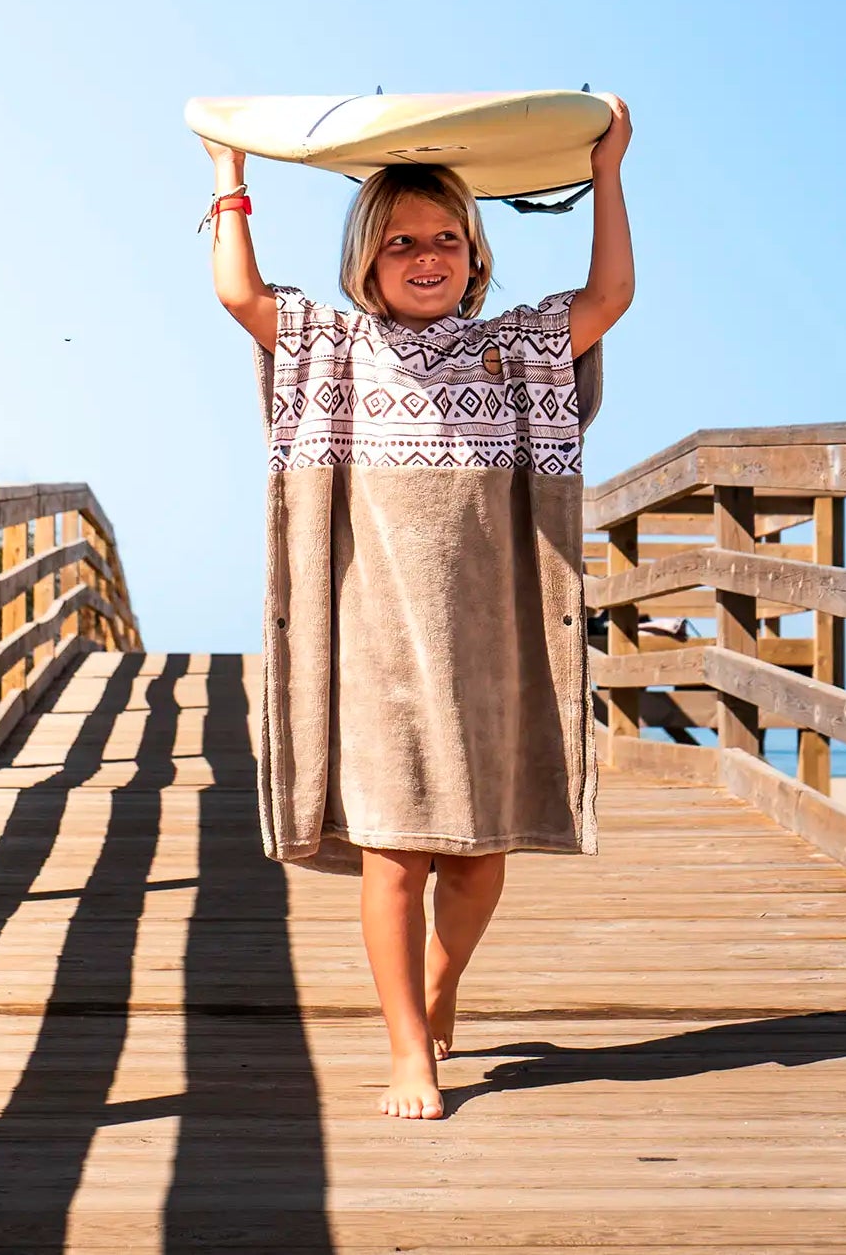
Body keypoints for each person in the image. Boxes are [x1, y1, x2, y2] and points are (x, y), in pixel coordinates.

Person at [202, 97, 635, 1120]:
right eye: (403, 242)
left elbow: (609, 294)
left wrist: (608, 169)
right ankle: (409, 1049)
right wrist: (228, 173)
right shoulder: (336, 351)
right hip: (376, 647)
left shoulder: (513, 353)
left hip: (488, 647)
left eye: (447, 239)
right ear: (368, 260)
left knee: (478, 857)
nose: (427, 256)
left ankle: (443, 988)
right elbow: (240, 295)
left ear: (477, 259)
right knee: (395, 853)